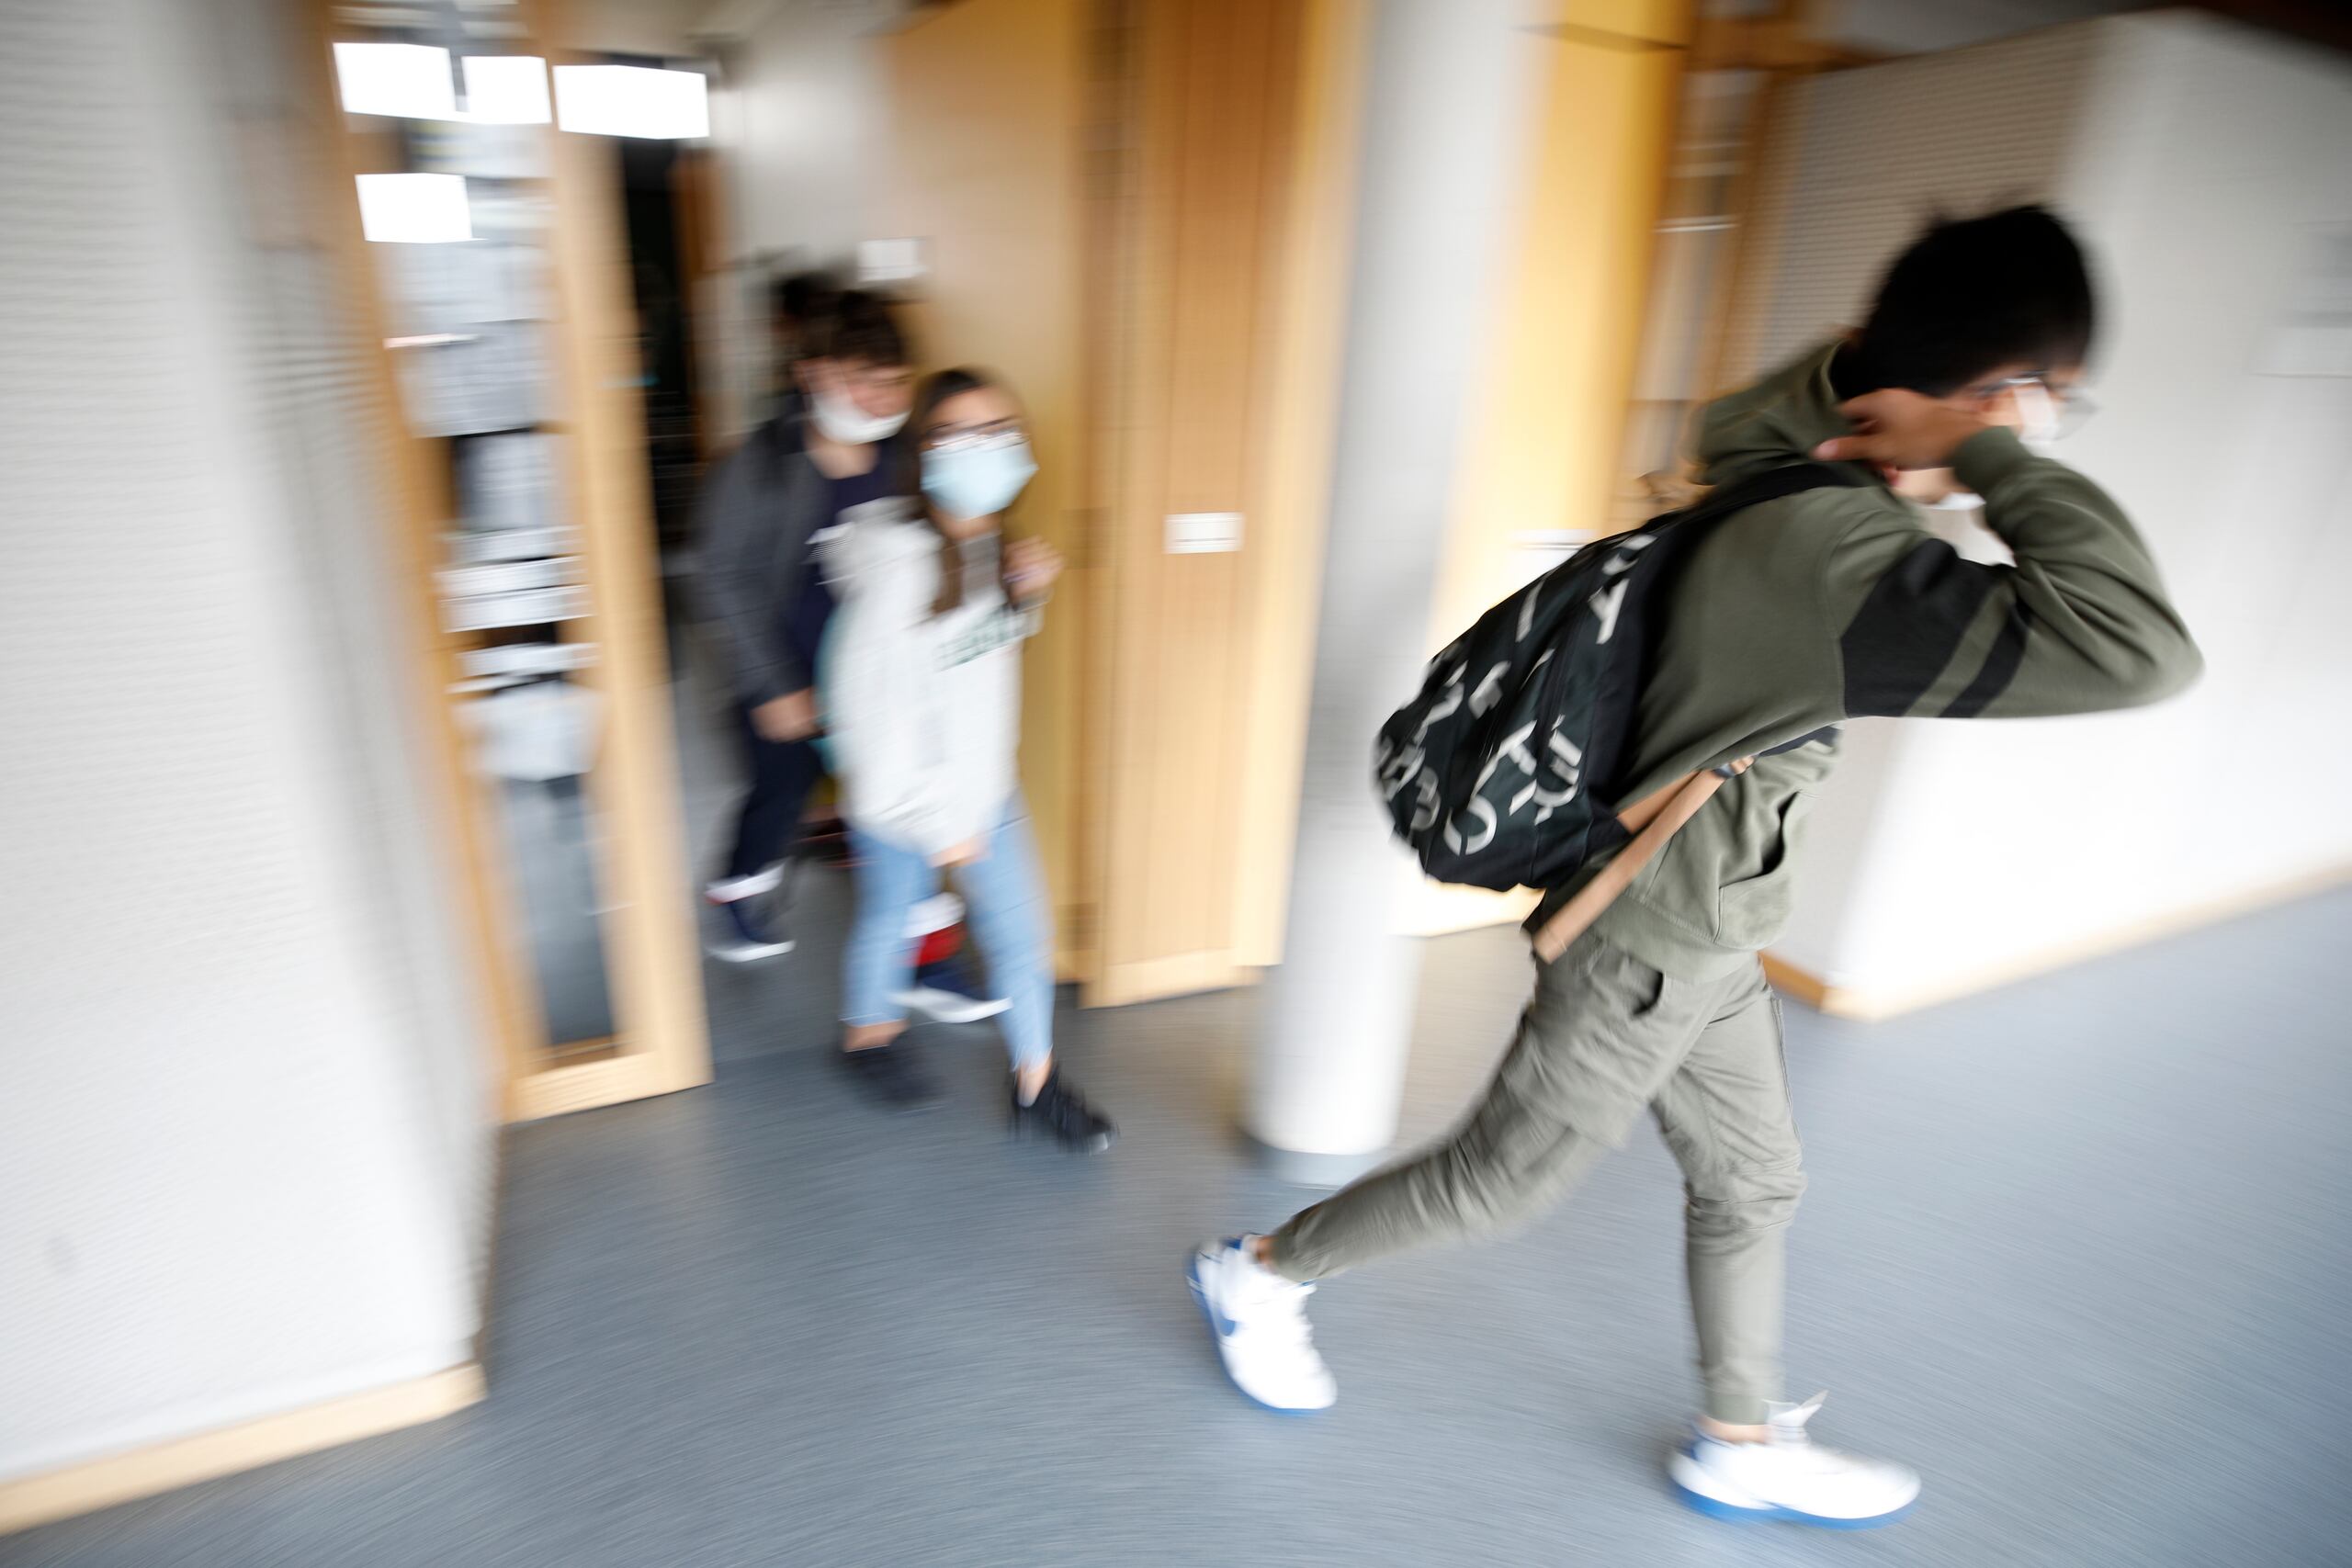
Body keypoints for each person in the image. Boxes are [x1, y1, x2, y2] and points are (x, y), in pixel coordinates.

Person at [1186, 206, 2201, 1528]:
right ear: (2007, 393)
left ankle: (1737, 1432)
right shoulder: (1842, 558)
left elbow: (1736, 416)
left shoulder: (1790, 465)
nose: (2046, 429)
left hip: (1711, 928)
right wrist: (1992, 447)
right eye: (2048, 403)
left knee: (1754, 1177)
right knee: (1505, 1175)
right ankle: (1260, 1269)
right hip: (1650, 941)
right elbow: (2140, 649)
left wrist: (1894, 391)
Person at [815, 367, 1115, 1151]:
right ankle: (867, 1034)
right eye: (963, 435)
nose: (988, 451)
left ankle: (1036, 1083)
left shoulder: (986, 545)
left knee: (1024, 936)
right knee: (890, 914)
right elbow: (869, 721)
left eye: (1000, 432)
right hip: (902, 802)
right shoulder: (896, 570)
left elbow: (971, 662)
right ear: (925, 452)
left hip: (985, 788)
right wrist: (938, 824)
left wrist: (1026, 597)